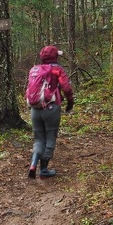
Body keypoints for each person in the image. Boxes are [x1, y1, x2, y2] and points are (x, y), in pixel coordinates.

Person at [27, 45, 74, 178]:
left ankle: (33, 164)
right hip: (51, 108)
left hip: (35, 109)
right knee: (50, 137)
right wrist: (70, 103)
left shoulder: (34, 69)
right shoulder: (57, 69)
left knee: (38, 139)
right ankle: (44, 169)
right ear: (55, 56)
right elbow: (67, 88)